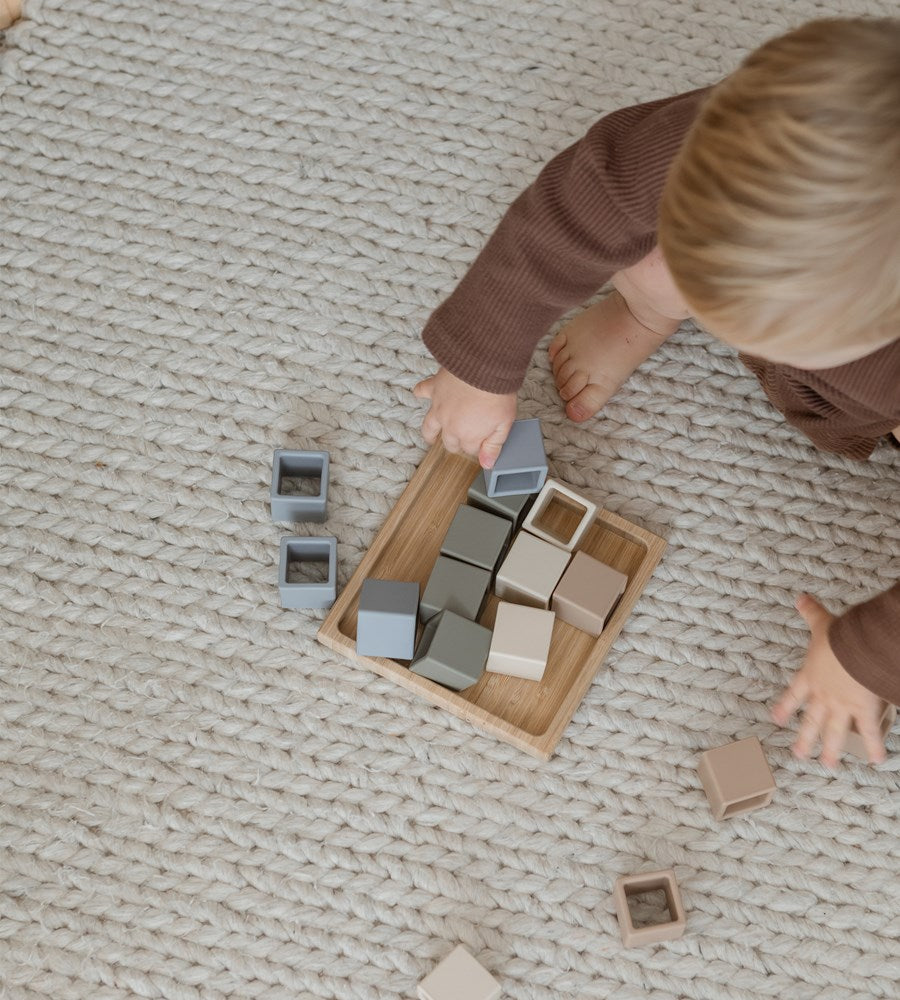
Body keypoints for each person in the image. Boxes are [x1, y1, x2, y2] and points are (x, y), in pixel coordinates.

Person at [412, 17, 900, 767]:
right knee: (649, 239)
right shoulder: (749, 135)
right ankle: (648, 307)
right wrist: (481, 359)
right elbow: (577, 210)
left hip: (878, 397)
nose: (726, 332)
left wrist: (865, 657)